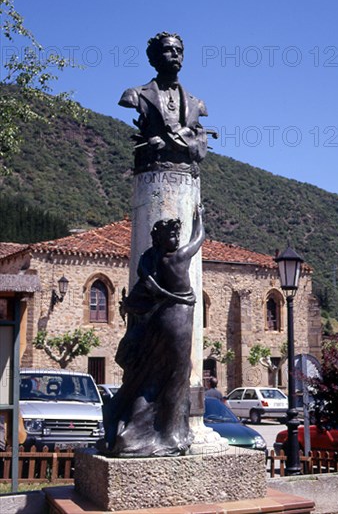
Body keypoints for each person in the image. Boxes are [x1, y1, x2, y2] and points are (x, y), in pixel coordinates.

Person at [99, 205, 205, 457]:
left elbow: (142, 286)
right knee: (177, 376)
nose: (176, 240)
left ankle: (134, 427)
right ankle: (169, 435)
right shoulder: (177, 258)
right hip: (178, 322)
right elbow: (199, 238)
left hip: (160, 321)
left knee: (152, 376)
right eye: (172, 236)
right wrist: (199, 217)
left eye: (176, 237)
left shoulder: (152, 262)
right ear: (161, 239)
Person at [118, 32, 208, 172]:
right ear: (153, 59)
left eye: (179, 51)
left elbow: (200, 137)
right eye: (168, 49)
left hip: (186, 170)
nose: (175, 54)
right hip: (152, 168)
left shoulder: (197, 103)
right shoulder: (135, 94)